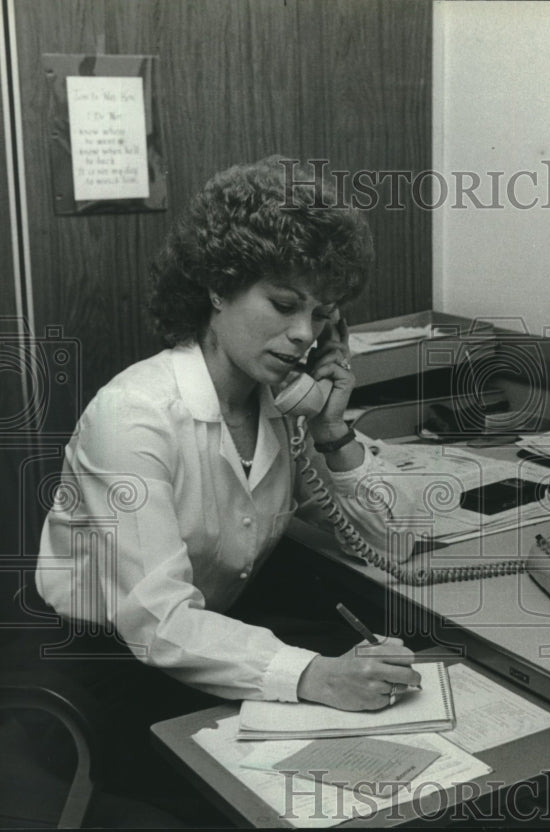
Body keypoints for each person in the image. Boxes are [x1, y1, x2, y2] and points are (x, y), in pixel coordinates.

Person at [25, 156, 425, 816]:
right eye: (284, 304)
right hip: (112, 667)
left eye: (323, 316)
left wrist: (331, 430)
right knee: (304, 788)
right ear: (219, 286)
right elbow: (158, 622)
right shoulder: (133, 417)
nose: (304, 336)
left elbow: (395, 536)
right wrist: (312, 676)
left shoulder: (281, 409)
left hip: (214, 637)